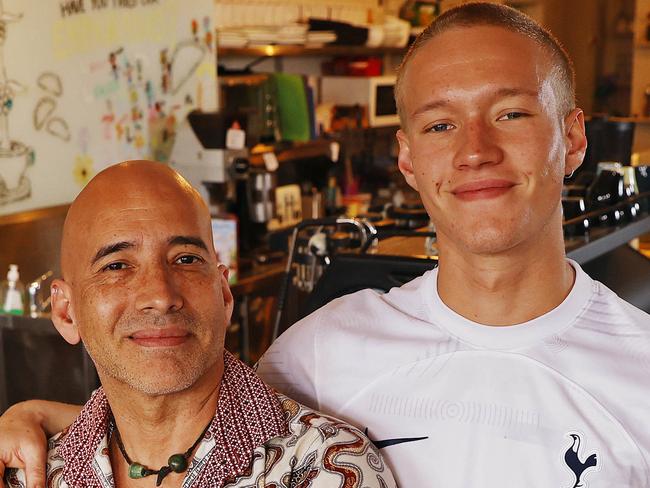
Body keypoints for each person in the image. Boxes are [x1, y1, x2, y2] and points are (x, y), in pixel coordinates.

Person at [2, 2, 650, 486]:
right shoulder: (323, 351)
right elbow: (192, 419)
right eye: (440, 123)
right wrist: (44, 421)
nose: (475, 151)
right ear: (406, 157)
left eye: (511, 113)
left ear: (575, 138)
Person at [1, 161, 396, 488]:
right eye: (117, 265)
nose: (160, 294)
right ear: (66, 312)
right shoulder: (31, 472)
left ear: (224, 295)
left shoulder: (324, 465)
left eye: (186, 259)